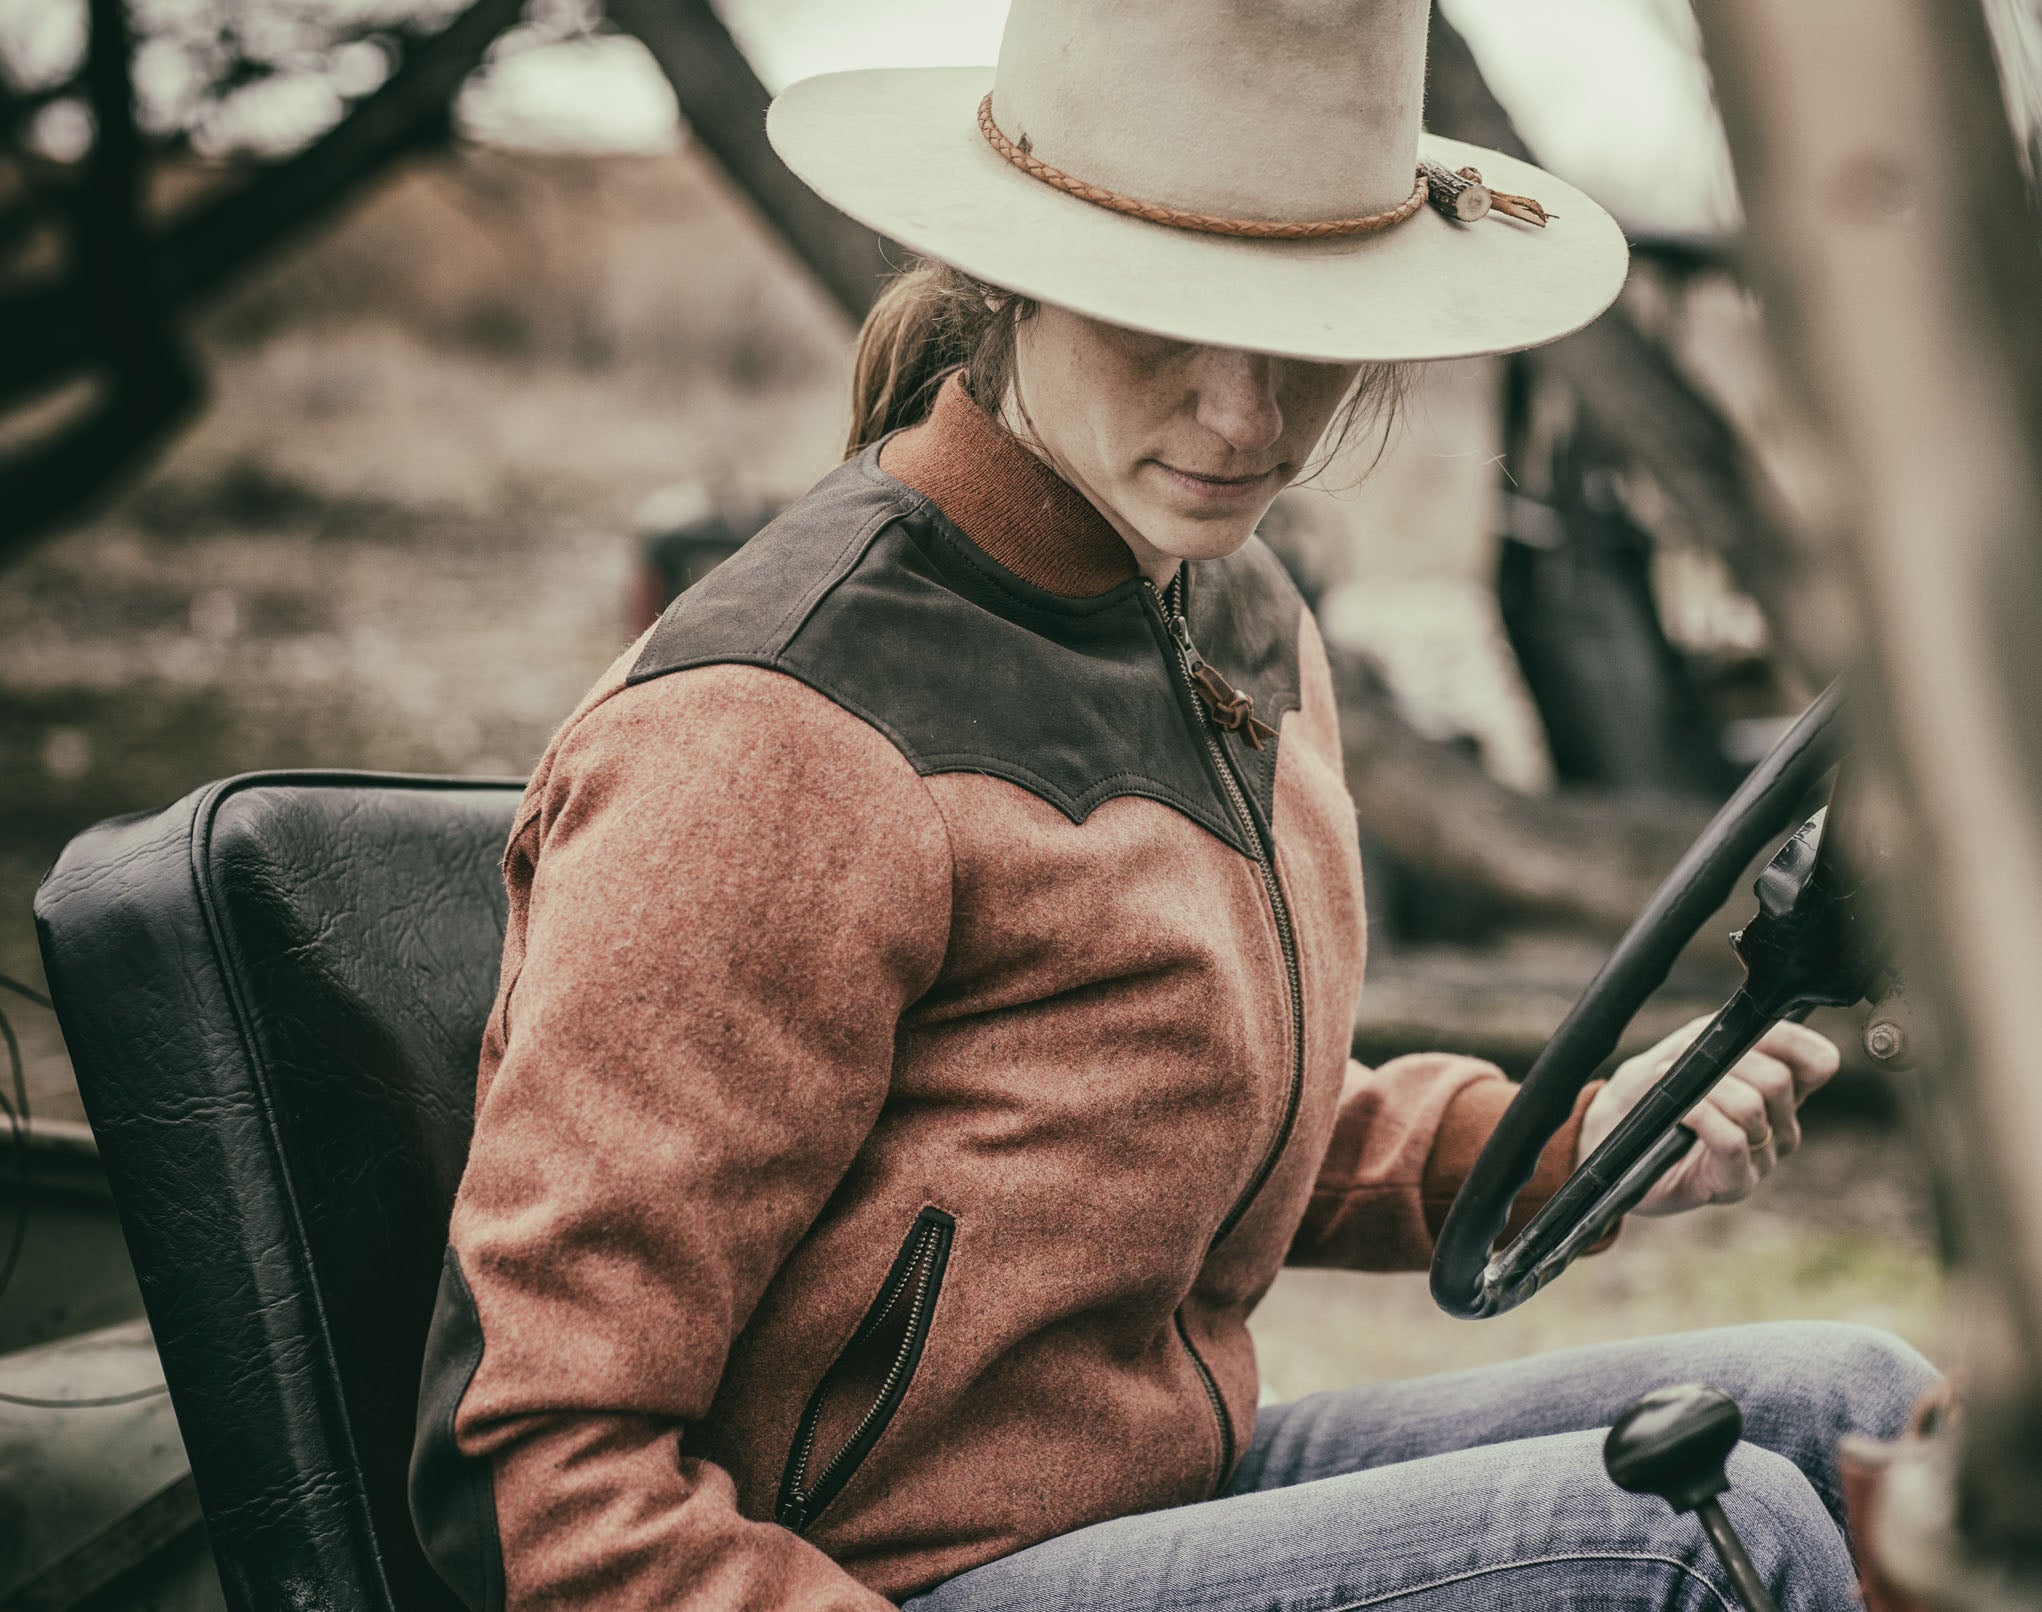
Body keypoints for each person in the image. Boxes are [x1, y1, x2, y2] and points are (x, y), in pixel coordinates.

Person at [408, 2, 1937, 1608]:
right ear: (1013, 278)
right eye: (1163, 323)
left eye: (1303, 334)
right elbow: (538, 1476)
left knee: (1857, 1409)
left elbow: (1178, 1112)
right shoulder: (769, 741)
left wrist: (1560, 1140)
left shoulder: (1230, 614)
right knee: (1703, 1552)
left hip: (1149, 1494)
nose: (1247, 420)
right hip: (880, 1575)